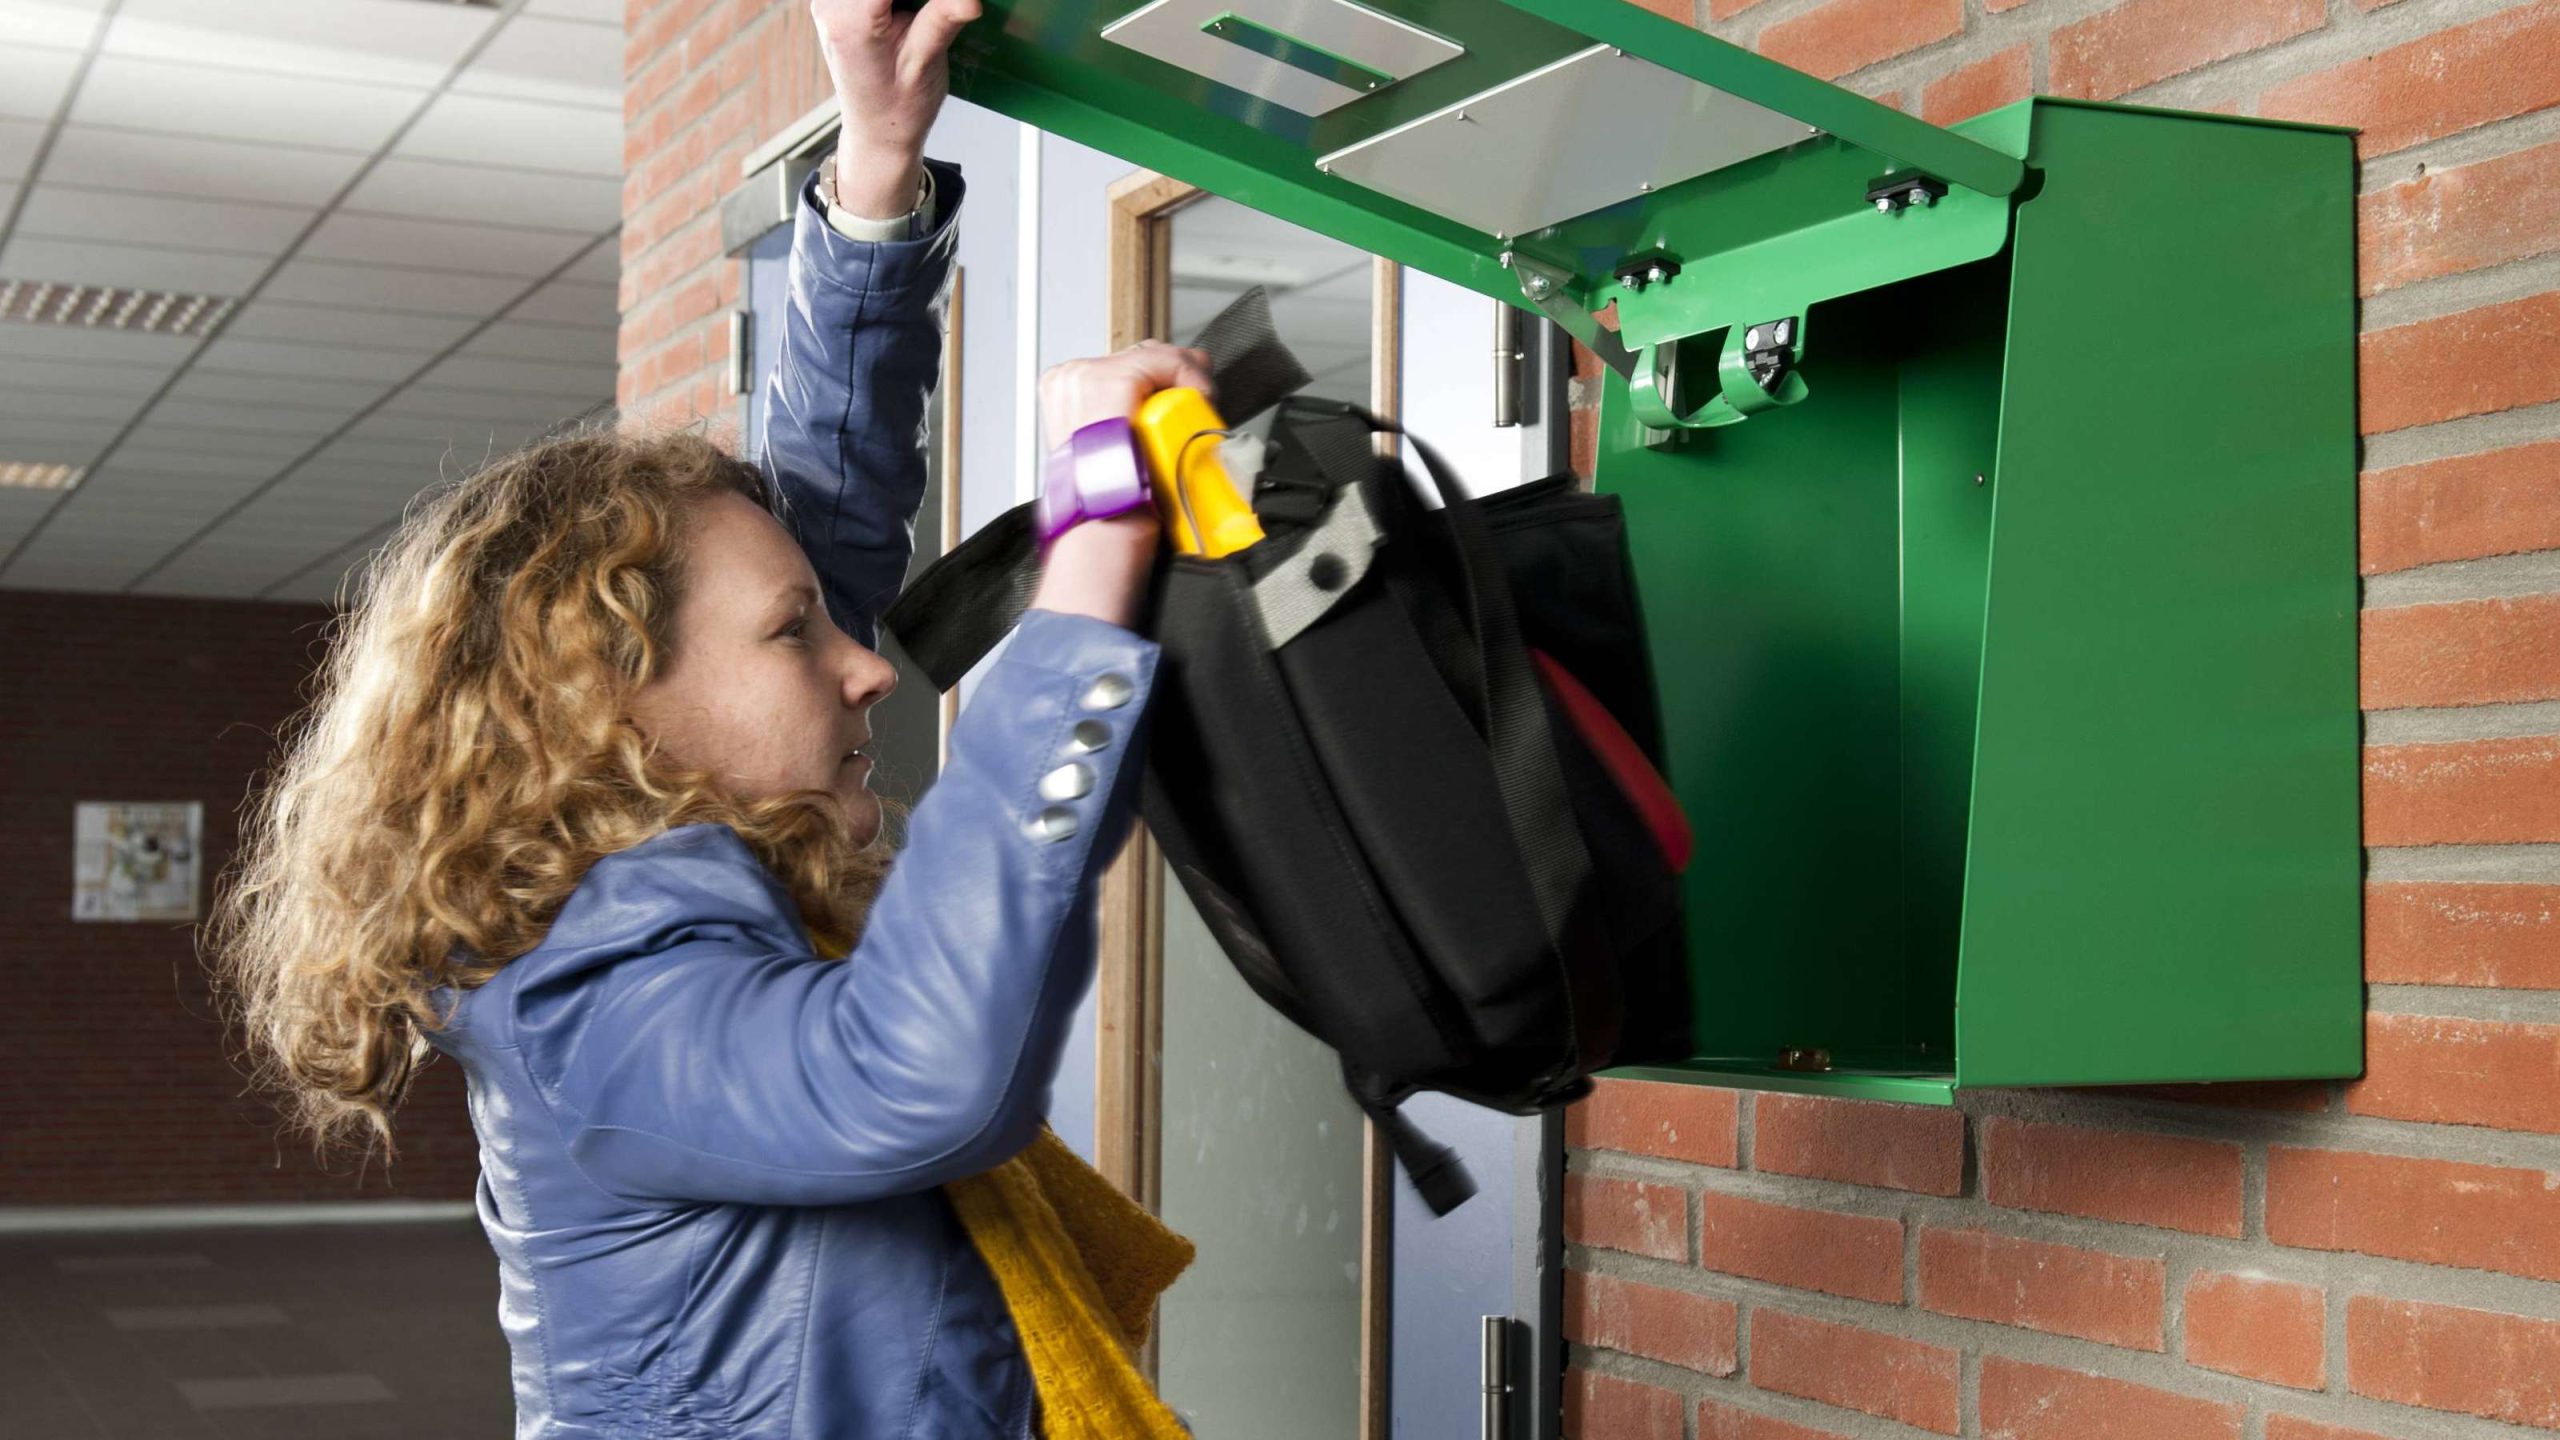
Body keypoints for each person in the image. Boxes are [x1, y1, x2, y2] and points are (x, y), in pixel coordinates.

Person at [210, 1, 1214, 1433]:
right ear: (607, 707)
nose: (869, 668)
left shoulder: (658, 889)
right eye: (800, 636)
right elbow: (914, 1077)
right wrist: (1099, 524)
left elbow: (800, 524)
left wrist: (875, 166)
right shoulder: (584, 995)